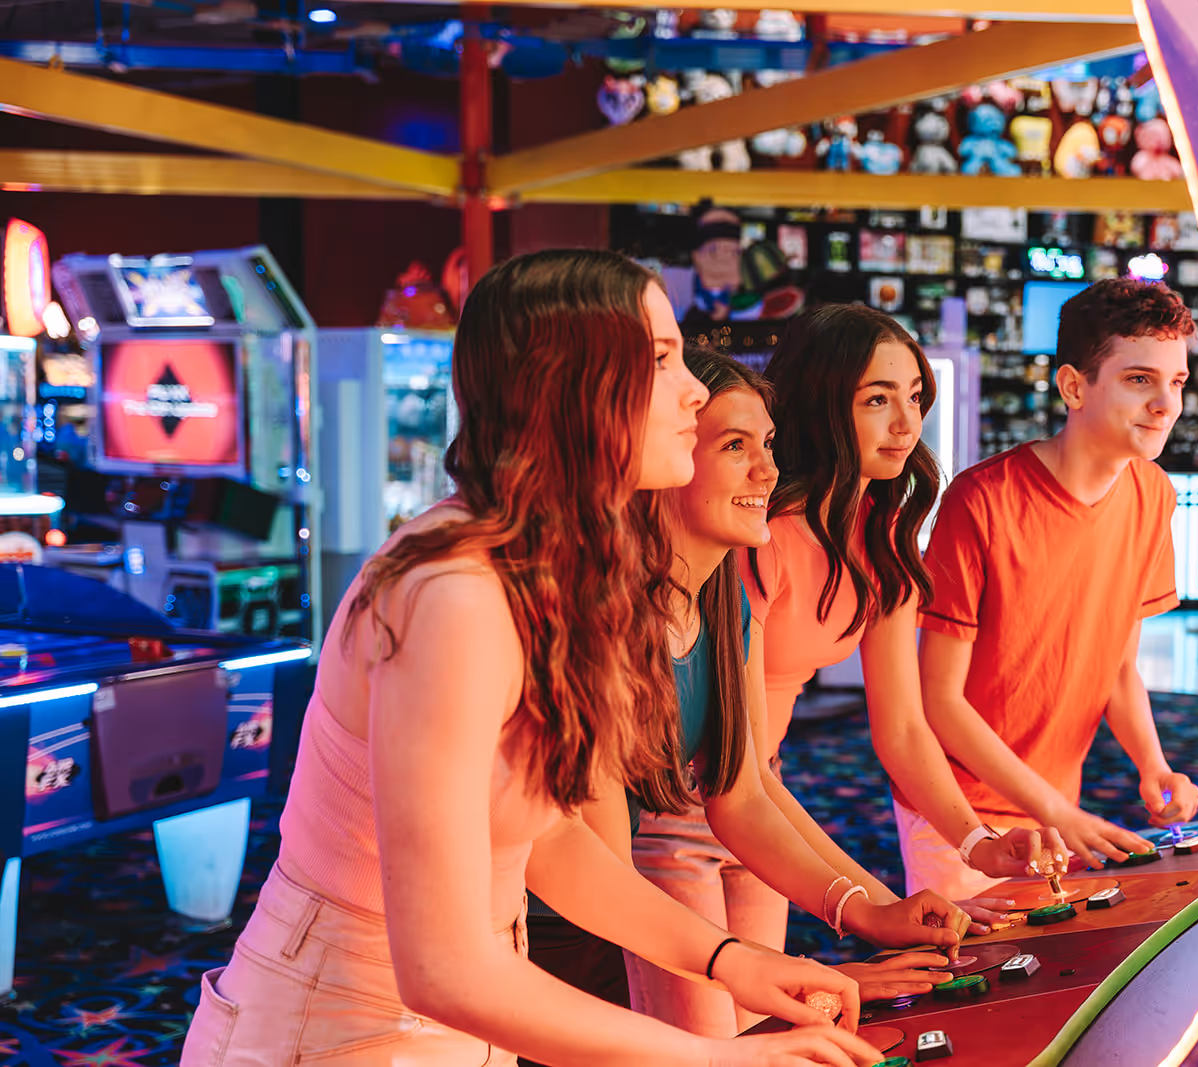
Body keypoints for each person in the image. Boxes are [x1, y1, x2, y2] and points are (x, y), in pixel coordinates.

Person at [181, 250, 881, 1067]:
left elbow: (545, 840)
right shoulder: (452, 592)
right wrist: (718, 1057)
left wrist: (730, 960)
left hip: (467, 1007)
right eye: (662, 359)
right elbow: (440, 969)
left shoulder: (554, 567)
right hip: (339, 1024)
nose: (694, 389)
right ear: (574, 385)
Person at [618, 347, 964, 1038]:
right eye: (734, 445)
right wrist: (847, 929)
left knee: (758, 1036)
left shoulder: (723, 594)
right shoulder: (618, 610)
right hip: (613, 857)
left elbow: (743, 787)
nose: (767, 470)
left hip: (740, 803)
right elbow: (585, 860)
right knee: (721, 1043)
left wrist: (869, 912)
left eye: (768, 443)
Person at [739, 304, 1050, 934]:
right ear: (822, 404)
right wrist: (879, 904)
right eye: (877, 400)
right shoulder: (758, 534)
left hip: (763, 792)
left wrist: (976, 844)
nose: (907, 424)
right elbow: (734, 773)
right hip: (687, 802)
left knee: (762, 998)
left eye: (914, 397)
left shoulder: (881, 535)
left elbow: (903, 726)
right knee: (727, 1001)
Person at [914, 278, 1198, 903]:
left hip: (1054, 803)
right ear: (1074, 387)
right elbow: (938, 700)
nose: (1166, 404)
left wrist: (1153, 765)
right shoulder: (982, 500)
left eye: (1177, 382)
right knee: (973, 959)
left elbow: (1119, 668)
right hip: (957, 807)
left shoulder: (1154, 494)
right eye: (1139, 379)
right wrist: (1055, 810)